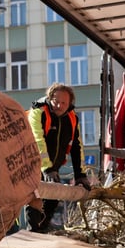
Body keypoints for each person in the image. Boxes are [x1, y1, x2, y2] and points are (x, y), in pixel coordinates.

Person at [26, 83, 90, 233]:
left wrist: (80, 175)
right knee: (35, 197)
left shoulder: (72, 118)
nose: (59, 106)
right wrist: (47, 169)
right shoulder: (38, 112)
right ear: (49, 98)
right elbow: (37, 142)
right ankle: (33, 233)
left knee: (53, 199)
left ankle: (41, 231)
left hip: (53, 166)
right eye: (56, 101)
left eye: (64, 103)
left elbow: (77, 147)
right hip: (32, 164)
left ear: (70, 103)